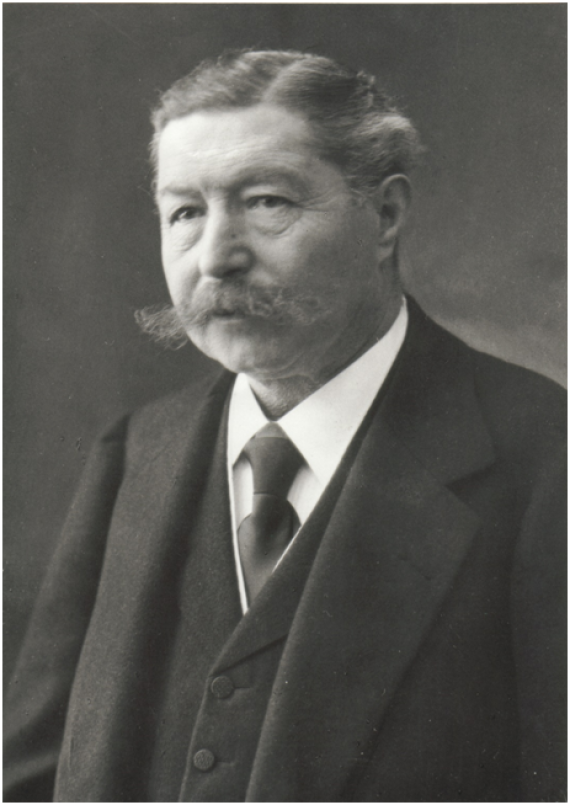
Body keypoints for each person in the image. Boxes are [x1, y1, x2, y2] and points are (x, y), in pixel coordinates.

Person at [4, 50, 566, 803]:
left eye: (266, 202)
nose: (216, 257)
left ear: (386, 217)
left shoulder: (545, 458)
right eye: (186, 211)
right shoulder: (134, 452)